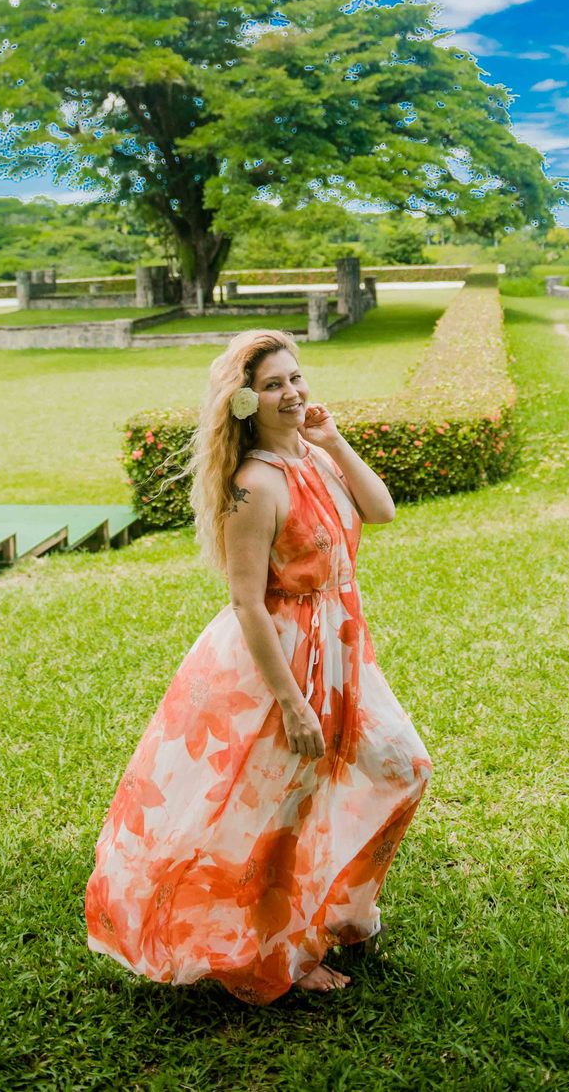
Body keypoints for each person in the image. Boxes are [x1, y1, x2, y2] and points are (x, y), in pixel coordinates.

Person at [84, 328, 432, 1003]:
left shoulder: (315, 456)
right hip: (281, 661)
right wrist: (291, 702)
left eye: (296, 378)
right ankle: (284, 955)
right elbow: (246, 601)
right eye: (273, 385)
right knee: (280, 815)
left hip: (340, 651)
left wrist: (332, 440)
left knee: (403, 765)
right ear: (245, 402)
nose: (292, 392)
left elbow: (382, 510)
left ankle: (340, 911)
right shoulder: (254, 487)